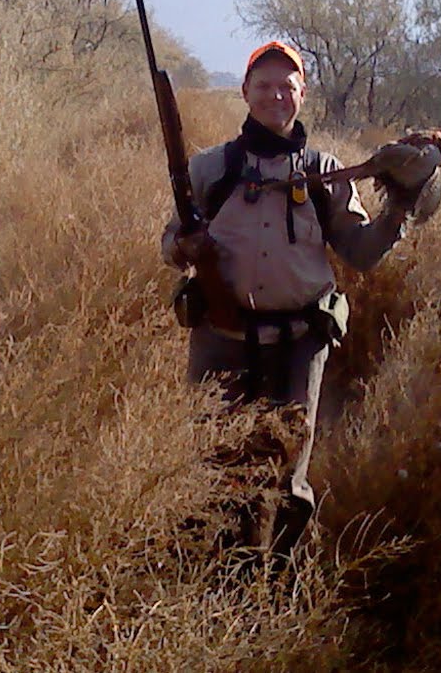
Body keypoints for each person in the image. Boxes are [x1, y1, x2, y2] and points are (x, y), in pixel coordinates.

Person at [161, 40, 418, 559]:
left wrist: (400, 209)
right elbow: (169, 245)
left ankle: (278, 582)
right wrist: (184, 246)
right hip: (221, 342)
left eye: (287, 86)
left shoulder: (327, 171)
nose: (276, 96)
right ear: (245, 93)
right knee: (213, 465)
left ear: (303, 94)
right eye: (264, 86)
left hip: (300, 345)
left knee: (288, 479)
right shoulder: (210, 169)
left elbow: (361, 253)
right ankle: (215, 578)